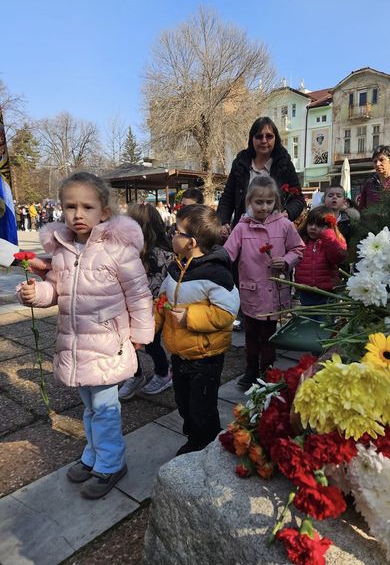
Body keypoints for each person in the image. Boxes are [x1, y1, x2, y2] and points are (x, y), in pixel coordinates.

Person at [17, 172, 154, 499]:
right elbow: (57, 290)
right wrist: (38, 293)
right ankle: (94, 455)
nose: (78, 214)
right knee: (90, 407)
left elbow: (139, 295)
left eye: (87, 207)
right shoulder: (63, 249)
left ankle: (111, 463)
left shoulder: (118, 251)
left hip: (107, 345)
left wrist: (140, 335)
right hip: (77, 345)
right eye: (70, 206)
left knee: (106, 408)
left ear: (104, 212)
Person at [156, 204, 239, 456]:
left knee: (202, 407)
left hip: (206, 356)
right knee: (183, 403)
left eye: (176, 231)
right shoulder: (177, 266)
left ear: (191, 242)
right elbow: (163, 300)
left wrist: (190, 316)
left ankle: (205, 446)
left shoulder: (214, 273)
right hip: (180, 352)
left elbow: (227, 313)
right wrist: (152, 323)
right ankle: (195, 437)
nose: (171, 235)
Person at [224, 177, 304, 390]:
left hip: (275, 292)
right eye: (259, 202)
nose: (264, 207)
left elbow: (298, 249)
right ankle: (251, 369)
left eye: (269, 202)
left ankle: (267, 371)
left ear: (275, 201)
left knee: (269, 335)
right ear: (249, 201)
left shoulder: (285, 225)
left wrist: (286, 261)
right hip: (251, 292)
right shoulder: (242, 228)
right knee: (251, 335)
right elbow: (228, 254)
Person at [119, 203, 173, 399]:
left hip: (153, 309)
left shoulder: (163, 253)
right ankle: (135, 374)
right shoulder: (127, 251)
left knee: (151, 344)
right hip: (129, 306)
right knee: (126, 342)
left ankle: (163, 373)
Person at [216, 117, 305, 235]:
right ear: (251, 139)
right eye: (259, 136)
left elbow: (298, 199)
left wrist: (287, 213)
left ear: (275, 139)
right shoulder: (240, 163)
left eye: (269, 136)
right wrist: (223, 221)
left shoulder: (284, 164)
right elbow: (227, 198)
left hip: (275, 233)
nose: (264, 140)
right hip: (242, 233)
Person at [294, 206, 347, 308]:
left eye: (319, 225)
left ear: (328, 227)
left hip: (327, 292)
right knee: (308, 321)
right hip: (306, 291)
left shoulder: (334, 241)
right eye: (310, 223)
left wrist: (328, 236)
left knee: (325, 321)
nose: (313, 227)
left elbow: (337, 258)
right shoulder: (302, 240)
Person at [359, 145, 390, 210]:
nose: (377, 164)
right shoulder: (369, 184)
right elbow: (361, 209)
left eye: (381, 160)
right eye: (375, 161)